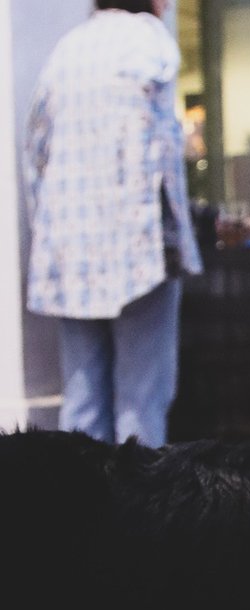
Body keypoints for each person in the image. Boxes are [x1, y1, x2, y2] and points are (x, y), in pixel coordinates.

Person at [23, 0, 201, 449]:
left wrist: (51, 231)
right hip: (137, 250)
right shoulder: (151, 41)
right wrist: (181, 241)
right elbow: (163, 152)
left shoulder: (66, 50)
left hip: (70, 253)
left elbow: (36, 152)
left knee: (81, 403)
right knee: (141, 404)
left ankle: (76, 496)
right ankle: (135, 498)